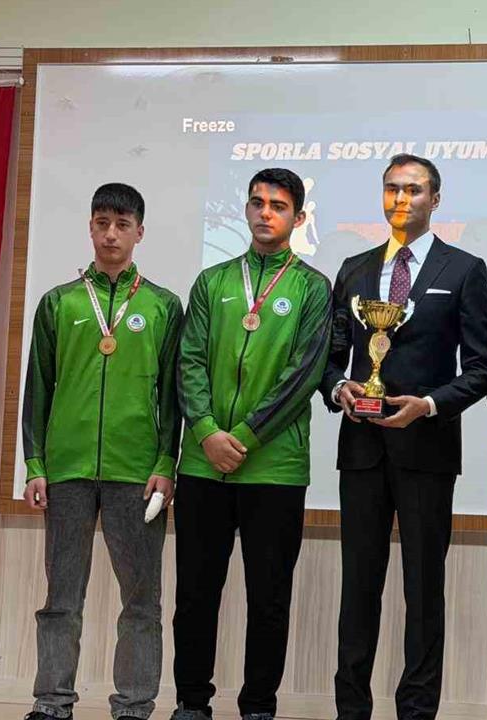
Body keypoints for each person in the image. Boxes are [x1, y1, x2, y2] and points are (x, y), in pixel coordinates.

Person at [322, 154, 487, 720]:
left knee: (423, 590)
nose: (402, 198)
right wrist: (339, 388)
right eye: (392, 188)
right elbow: (330, 356)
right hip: (362, 450)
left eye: (414, 190)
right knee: (358, 587)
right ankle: (351, 709)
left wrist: (429, 405)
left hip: (427, 451)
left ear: (435, 200)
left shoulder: (464, 269)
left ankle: (416, 711)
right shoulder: (354, 269)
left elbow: (481, 369)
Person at [171, 168, 332, 720]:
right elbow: (189, 360)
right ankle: (192, 702)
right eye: (258, 202)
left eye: (279, 205)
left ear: (298, 218)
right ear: (245, 210)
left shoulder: (313, 287)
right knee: (195, 594)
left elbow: (303, 374)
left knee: (269, 598)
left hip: (275, 469)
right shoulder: (212, 281)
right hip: (202, 466)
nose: (266, 212)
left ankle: (259, 706)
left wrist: (239, 437)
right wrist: (206, 432)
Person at [21, 182, 183, 720]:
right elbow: (38, 389)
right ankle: (52, 704)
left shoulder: (163, 306)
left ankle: (133, 707)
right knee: (61, 598)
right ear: (90, 227)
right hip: (66, 470)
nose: (111, 234)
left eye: (122, 225)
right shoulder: (59, 302)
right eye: (102, 223)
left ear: (140, 232)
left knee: (141, 599)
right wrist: (36, 464)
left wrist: (165, 463)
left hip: (136, 473)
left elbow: (173, 398)